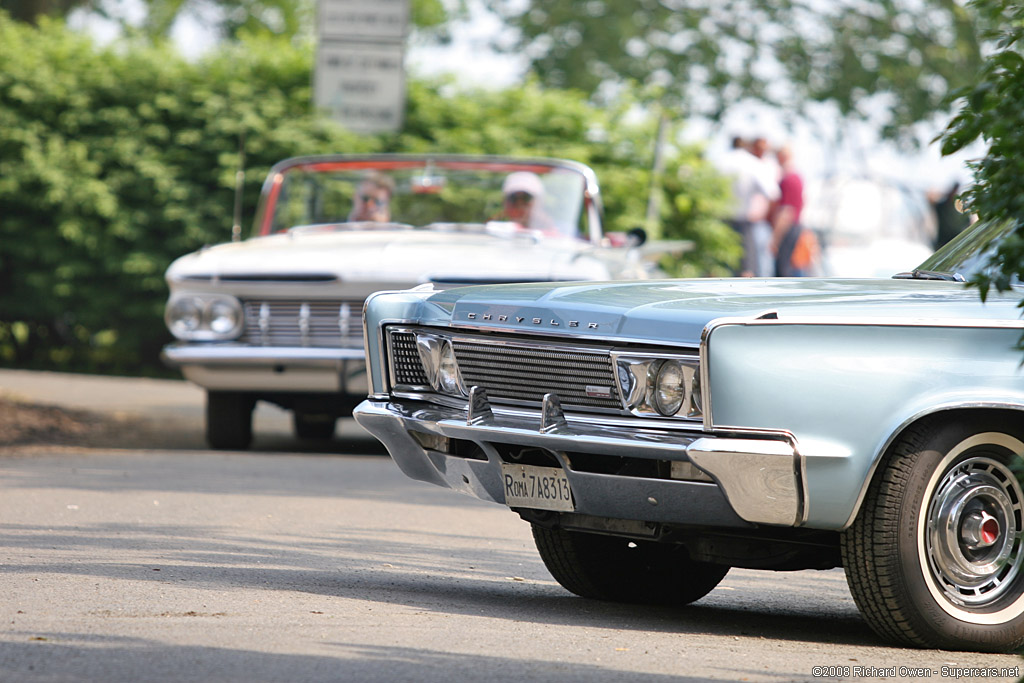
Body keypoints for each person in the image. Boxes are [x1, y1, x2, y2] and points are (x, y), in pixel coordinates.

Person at [717, 135, 780, 276]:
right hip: (743, 223)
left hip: (720, 221)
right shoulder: (752, 164)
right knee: (747, 271)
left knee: (719, 270)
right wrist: (763, 215)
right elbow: (773, 193)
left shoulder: (721, 161)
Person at [770, 144, 819, 277]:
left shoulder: (788, 179)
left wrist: (775, 238)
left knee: (783, 270)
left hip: (789, 228)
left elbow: (786, 211)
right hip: (796, 226)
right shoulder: (797, 177)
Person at [493, 171, 558, 233]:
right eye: (513, 198)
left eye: (526, 198)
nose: (519, 204)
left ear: (538, 202)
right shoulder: (493, 227)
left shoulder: (552, 233)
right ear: (505, 203)